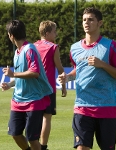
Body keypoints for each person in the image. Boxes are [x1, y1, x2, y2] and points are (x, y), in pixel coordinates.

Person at [58, 7, 116, 150]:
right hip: (82, 106)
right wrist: (68, 77)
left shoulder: (111, 46)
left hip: (107, 106)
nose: (87, 22)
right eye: (84, 20)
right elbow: (79, 70)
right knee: (81, 148)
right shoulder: (74, 48)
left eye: (91, 19)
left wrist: (102, 65)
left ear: (100, 23)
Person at [1, 20, 53, 150]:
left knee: (32, 138)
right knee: (15, 134)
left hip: (33, 101)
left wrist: (13, 75)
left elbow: (34, 72)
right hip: (17, 101)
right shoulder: (17, 52)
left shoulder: (29, 49)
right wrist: (10, 84)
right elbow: (21, 75)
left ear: (11, 35)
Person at [34, 20, 67, 150]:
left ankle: (34, 144)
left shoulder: (32, 46)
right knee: (46, 118)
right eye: (54, 31)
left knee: (34, 117)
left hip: (34, 88)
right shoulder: (53, 47)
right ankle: (43, 147)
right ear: (47, 33)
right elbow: (59, 68)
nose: (56, 34)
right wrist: (63, 86)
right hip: (48, 89)